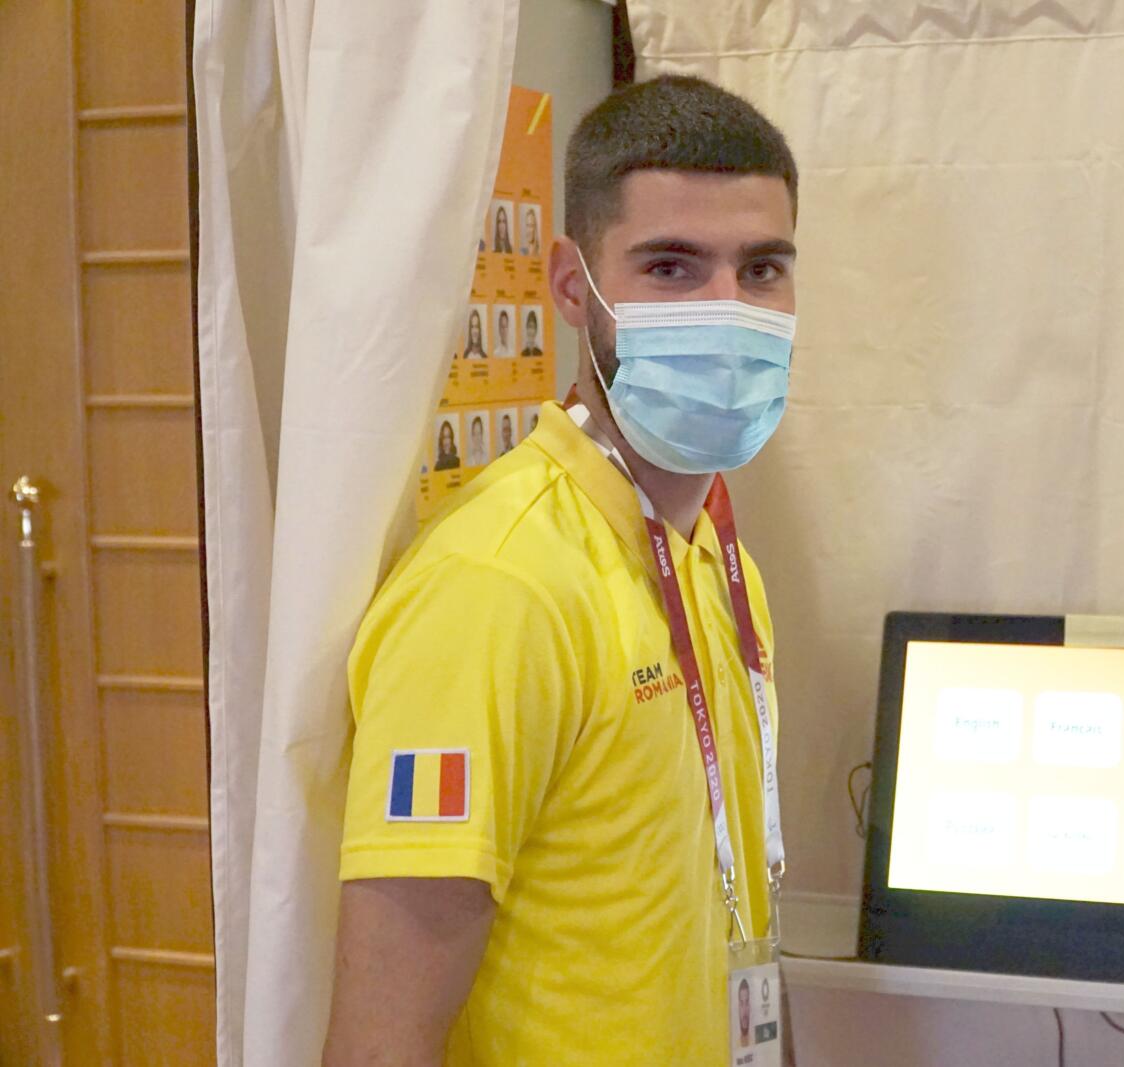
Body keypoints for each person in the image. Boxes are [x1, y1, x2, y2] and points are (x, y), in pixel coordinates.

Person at [324, 75, 799, 1067]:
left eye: (761, 269)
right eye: (671, 267)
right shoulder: (496, 587)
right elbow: (379, 1042)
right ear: (574, 287)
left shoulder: (722, 561)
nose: (727, 310)